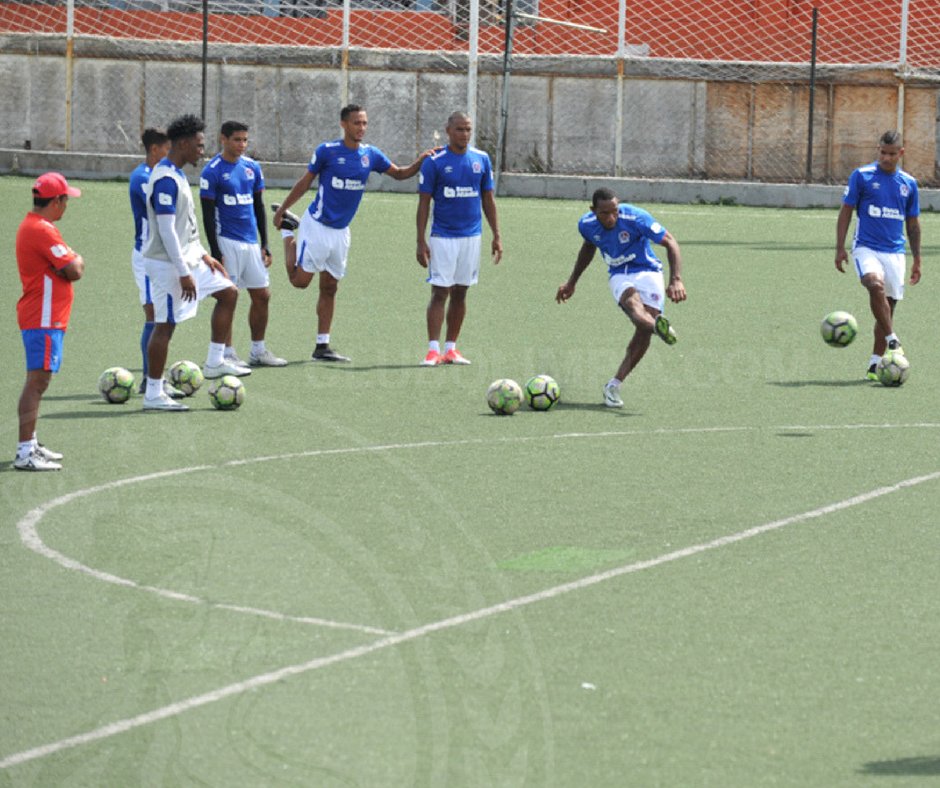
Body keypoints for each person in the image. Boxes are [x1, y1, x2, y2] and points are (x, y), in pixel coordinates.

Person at [272, 103, 435, 363]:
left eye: (364, 123)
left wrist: (421, 160)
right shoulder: (327, 151)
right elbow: (305, 182)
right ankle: (288, 233)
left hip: (341, 232)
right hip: (317, 226)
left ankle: (322, 346)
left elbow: (400, 174)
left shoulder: (371, 155)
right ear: (344, 124)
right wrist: (283, 208)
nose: (361, 128)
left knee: (330, 287)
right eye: (356, 123)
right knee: (300, 282)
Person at [141, 113, 249, 412]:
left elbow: (184, 226)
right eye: (199, 145)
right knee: (165, 326)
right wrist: (184, 271)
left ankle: (215, 361)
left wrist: (204, 254)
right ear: (185, 143)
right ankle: (153, 393)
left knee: (228, 292)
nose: (203, 150)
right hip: (168, 264)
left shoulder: (176, 174)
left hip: (187, 259)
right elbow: (165, 231)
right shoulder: (164, 179)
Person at [556, 187, 686, 408]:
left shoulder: (636, 217)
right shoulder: (586, 225)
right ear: (593, 210)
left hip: (648, 270)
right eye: (605, 213)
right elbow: (589, 247)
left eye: (614, 211)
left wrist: (676, 279)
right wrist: (572, 282)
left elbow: (670, 242)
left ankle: (614, 385)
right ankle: (658, 328)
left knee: (643, 328)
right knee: (633, 307)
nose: (611, 217)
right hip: (619, 274)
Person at [415, 111, 502, 366]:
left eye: (468, 129)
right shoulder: (435, 161)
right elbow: (423, 204)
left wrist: (497, 235)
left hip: (471, 237)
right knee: (440, 291)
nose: (464, 134)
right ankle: (433, 350)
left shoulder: (481, 159)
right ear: (448, 130)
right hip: (443, 236)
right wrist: (420, 241)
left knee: (461, 292)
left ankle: (451, 348)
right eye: (459, 129)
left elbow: (488, 199)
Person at [835, 130, 922, 380]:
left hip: (895, 251)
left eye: (892, 154)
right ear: (878, 150)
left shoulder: (909, 184)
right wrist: (840, 247)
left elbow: (913, 224)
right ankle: (893, 341)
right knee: (874, 285)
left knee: (888, 308)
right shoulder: (861, 176)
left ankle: (875, 364)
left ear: (900, 153)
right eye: (882, 152)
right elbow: (846, 211)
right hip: (866, 246)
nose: (886, 158)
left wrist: (917, 258)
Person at [200, 120, 286, 368]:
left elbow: (259, 207)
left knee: (262, 295)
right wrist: (216, 252)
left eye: (245, 140)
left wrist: (265, 243)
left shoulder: (252, 168)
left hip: (251, 243)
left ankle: (258, 351)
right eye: (237, 139)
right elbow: (207, 215)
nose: (242, 145)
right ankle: (226, 353)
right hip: (227, 241)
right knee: (229, 297)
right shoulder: (212, 171)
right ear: (223, 139)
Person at [14, 172, 84, 471]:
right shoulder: (42, 230)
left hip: (45, 317)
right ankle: (25, 452)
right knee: (37, 382)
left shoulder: (38, 227)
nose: (67, 205)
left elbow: (66, 268)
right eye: (66, 199)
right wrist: (75, 260)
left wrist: (68, 264)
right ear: (56, 201)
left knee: (38, 382)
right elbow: (74, 270)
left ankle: (31, 443)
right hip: (42, 318)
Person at [129, 127, 183, 397]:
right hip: (147, 255)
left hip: (157, 255)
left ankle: (154, 377)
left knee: (161, 314)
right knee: (154, 314)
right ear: (155, 149)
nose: (169, 153)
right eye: (166, 148)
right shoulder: (143, 178)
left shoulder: (160, 175)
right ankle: (150, 379)